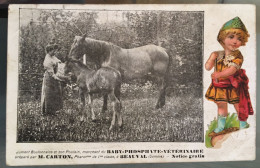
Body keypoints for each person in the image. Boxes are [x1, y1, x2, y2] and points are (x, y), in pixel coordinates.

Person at [205, 17, 253, 133]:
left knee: (237, 104)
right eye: (231, 37)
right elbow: (207, 68)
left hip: (233, 86)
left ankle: (242, 123)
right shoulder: (217, 54)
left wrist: (219, 74)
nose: (235, 41)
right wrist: (211, 59)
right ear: (222, 38)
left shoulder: (238, 56)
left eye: (239, 39)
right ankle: (221, 126)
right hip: (219, 86)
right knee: (221, 106)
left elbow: (231, 70)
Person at [41, 43, 68, 116]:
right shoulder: (47, 61)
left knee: (56, 93)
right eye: (53, 51)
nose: (54, 52)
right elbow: (52, 74)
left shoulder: (52, 56)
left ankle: (56, 110)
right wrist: (60, 78)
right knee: (49, 94)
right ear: (49, 51)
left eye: (54, 51)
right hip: (49, 78)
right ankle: (49, 112)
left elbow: (57, 60)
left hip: (55, 76)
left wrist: (61, 64)